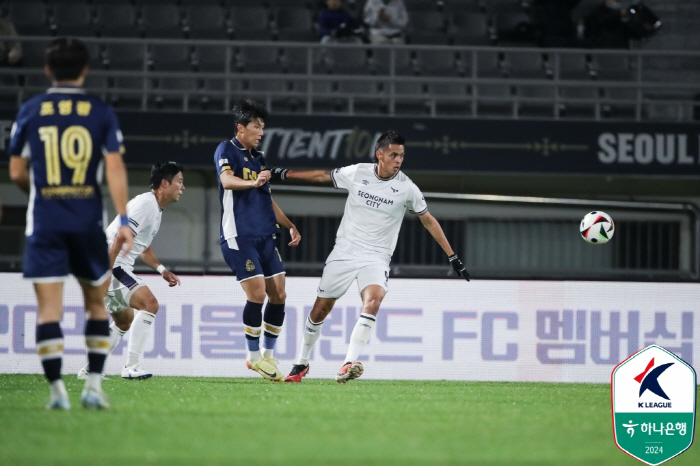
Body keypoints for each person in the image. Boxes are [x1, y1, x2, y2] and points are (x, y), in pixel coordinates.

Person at [268, 130, 470, 383]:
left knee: (373, 301)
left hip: (376, 257)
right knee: (320, 310)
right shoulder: (358, 172)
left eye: (402, 156)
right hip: (344, 252)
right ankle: (301, 363)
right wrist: (284, 173)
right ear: (380, 155)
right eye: (394, 155)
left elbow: (428, 221)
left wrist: (452, 257)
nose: (399, 160)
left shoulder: (407, 188)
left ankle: (348, 363)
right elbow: (323, 175)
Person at [8, 37, 134, 409]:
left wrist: (41, 193)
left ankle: (57, 393)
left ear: (47, 70)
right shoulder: (99, 112)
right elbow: (114, 167)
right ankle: (93, 386)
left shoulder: (31, 110)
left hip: (44, 223)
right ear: (85, 70)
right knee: (96, 305)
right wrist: (123, 218)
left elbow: (16, 170)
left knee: (49, 311)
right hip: (86, 223)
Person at [215, 98, 301, 382]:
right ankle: (253, 358)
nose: (260, 132)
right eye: (256, 126)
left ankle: (268, 355)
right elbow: (227, 181)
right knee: (257, 294)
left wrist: (289, 225)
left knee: (279, 293)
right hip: (239, 235)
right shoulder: (226, 149)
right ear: (241, 128)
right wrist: (252, 182)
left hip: (265, 235)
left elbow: (267, 198)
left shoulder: (259, 158)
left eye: (262, 127)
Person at [77, 162, 184, 381]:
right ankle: (131, 366)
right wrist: (106, 274)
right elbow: (119, 238)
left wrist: (162, 270)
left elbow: (142, 247)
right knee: (150, 304)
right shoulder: (147, 204)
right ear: (165, 184)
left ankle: (90, 371)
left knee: (124, 322)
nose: (183, 187)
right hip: (111, 262)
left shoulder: (155, 208)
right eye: (179, 182)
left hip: (111, 262)